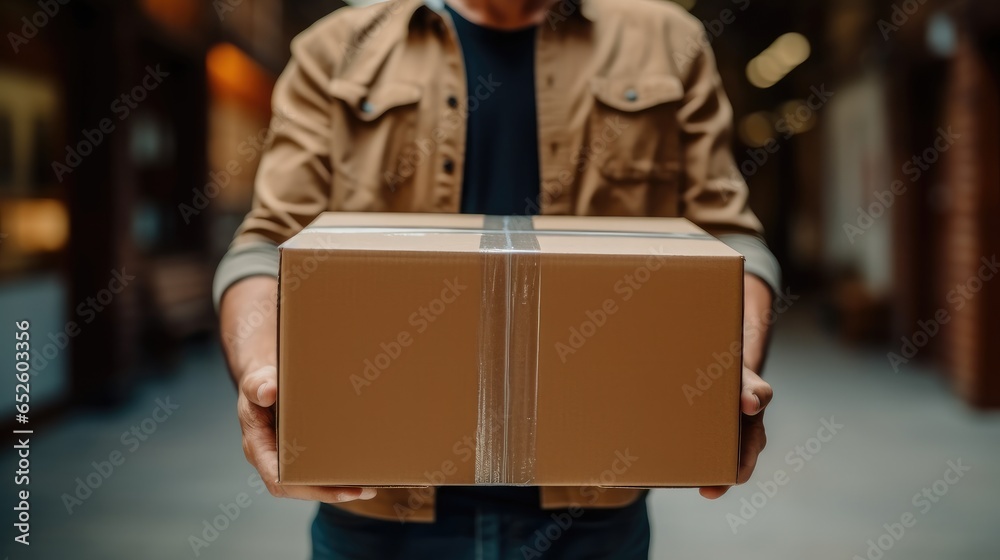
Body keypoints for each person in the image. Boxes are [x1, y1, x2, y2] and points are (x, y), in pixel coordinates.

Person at [215, 0, 779, 557]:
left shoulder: (667, 42)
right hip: (376, 510)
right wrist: (263, 374)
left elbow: (731, 242)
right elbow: (268, 246)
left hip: (592, 513)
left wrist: (733, 367)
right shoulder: (335, 51)